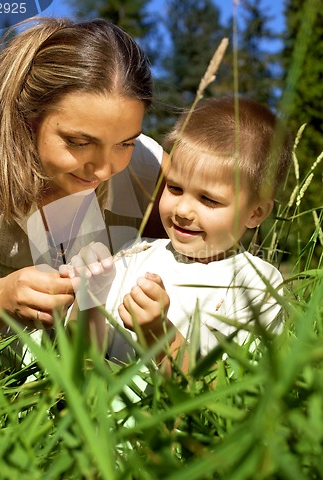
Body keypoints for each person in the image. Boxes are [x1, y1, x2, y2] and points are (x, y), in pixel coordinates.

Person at [0, 17, 166, 343]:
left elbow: (186, 268)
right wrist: (1, 297)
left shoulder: (149, 165)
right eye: (79, 142)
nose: (104, 169)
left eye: (125, 142)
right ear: (29, 118)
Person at [99, 96, 292, 372]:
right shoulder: (135, 253)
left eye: (209, 199)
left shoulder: (256, 285)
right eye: (175, 188)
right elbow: (89, 351)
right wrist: (86, 297)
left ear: (256, 212)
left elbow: (230, 394)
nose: (184, 210)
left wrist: (160, 336)